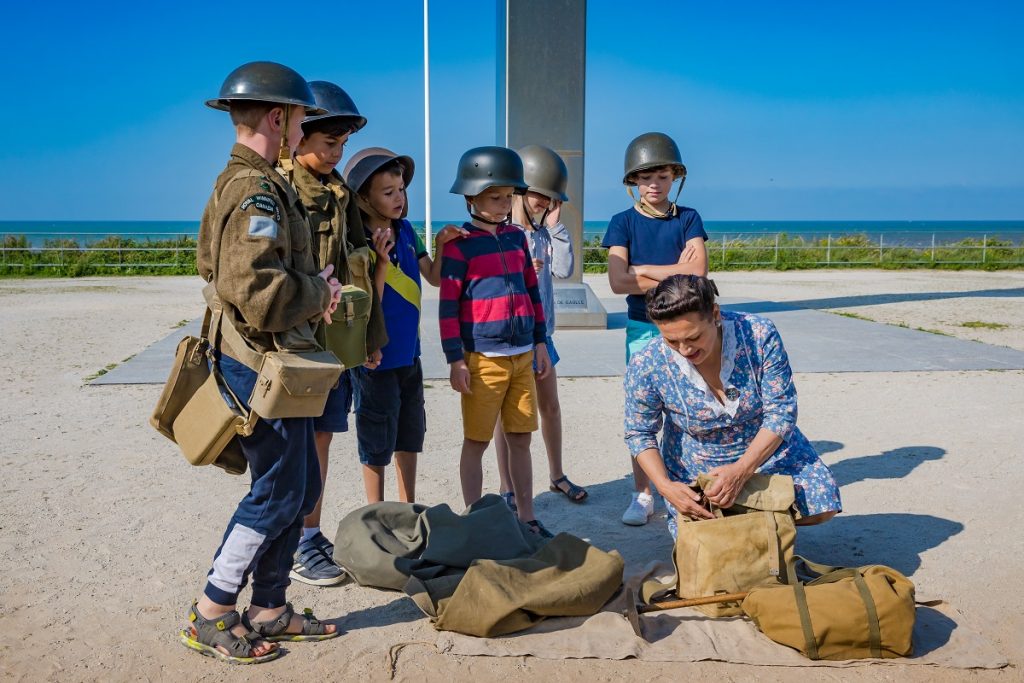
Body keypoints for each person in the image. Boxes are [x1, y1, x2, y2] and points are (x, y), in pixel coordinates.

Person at [182, 61, 340, 664]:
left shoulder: (258, 183)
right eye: (301, 116)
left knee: (300, 485)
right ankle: (213, 610)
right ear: (279, 117)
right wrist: (318, 293)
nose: (303, 128)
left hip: (276, 360)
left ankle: (269, 605)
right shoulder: (253, 189)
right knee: (277, 490)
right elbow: (254, 289)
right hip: (259, 363)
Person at [624, 274, 841, 539]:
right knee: (713, 540)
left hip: (766, 453)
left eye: (693, 337)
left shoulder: (759, 334)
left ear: (714, 314)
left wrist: (741, 470)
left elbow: (781, 411)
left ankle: (763, 528)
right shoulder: (647, 362)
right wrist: (666, 486)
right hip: (697, 465)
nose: (684, 350)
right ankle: (756, 529)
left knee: (822, 503)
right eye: (671, 340)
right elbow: (639, 432)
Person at [285, 80, 389, 587]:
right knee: (294, 443)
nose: (336, 154)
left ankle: (308, 534)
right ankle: (296, 539)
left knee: (323, 438)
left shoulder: (341, 193)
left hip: (335, 343)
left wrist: (369, 339)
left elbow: (361, 270)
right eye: (329, 143)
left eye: (343, 145)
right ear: (297, 135)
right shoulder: (280, 189)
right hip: (294, 343)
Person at [439, 146, 553, 537]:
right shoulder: (458, 245)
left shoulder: (517, 239)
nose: (504, 204)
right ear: (470, 197)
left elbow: (533, 292)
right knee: (477, 441)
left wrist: (540, 342)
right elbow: (448, 308)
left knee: (521, 438)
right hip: (482, 358)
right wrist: (456, 360)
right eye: (494, 196)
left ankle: (527, 516)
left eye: (508, 196)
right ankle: (475, 518)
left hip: (523, 354)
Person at [341, 147, 466, 504]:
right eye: (388, 192)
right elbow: (367, 302)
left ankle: (406, 505)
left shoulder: (408, 231)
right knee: (376, 440)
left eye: (402, 189)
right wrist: (381, 261)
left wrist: (442, 246)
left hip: (409, 355)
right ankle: (376, 513)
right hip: (375, 356)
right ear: (363, 197)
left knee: (409, 435)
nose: (399, 198)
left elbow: (434, 277)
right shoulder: (359, 240)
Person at [602, 132, 709, 526]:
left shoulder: (689, 218)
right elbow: (616, 280)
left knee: (694, 405)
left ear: (674, 177)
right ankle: (644, 493)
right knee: (643, 413)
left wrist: (644, 271)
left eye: (661, 176)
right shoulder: (622, 222)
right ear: (633, 181)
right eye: (645, 177)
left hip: (688, 325)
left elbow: (698, 272)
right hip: (642, 327)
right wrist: (673, 272)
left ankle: (692, 483)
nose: (653, 184)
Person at [494, 145, 585, 511]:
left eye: (549, 198)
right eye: (537, 194)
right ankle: (507, 485)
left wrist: (556, 227)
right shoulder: (504, 233)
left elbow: (564, 270)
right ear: (519, 190)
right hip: (513, 335)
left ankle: (557, 473)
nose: (542, 202)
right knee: (509, 416)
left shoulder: (545, 234)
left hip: (542, 335)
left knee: (550, 407)